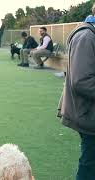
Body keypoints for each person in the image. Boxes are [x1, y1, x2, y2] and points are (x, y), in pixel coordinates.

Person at [57, 19, 95, 180]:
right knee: (90, 165)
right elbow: (81, 81)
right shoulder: (86, 37)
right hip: (87, 113)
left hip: (88, 112)